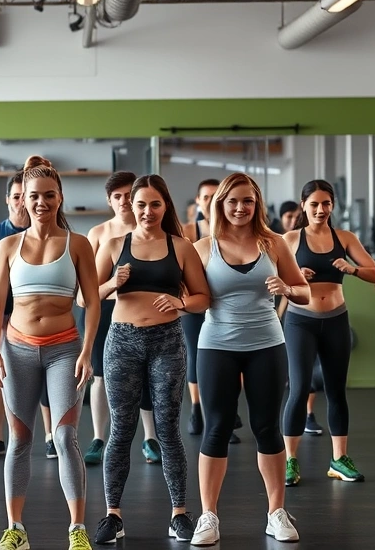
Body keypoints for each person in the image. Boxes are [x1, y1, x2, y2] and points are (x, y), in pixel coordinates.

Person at [0, 156, 100, 550]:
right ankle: (15, 529)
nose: (40, 203)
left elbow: (93, 301)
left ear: (60, 197)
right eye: (33, 196)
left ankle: (77, 530)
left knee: (66, 436)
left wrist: (87, 351)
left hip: (64, 350)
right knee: (19, 440)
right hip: (16, 349)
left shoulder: (79, 244)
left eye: (49, 195)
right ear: (22, 200)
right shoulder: (7, 246)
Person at [190, 173, 309, 545]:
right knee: (216, 429)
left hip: (266, 345)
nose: (240, 208)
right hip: (216, 346)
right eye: (233, 201)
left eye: (248, 201)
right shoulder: (203, 247)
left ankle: (276, 512)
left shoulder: (273, 244)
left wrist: (288, 289)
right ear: (220, 205)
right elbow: (193, 297)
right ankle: (208, 516)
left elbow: (303, 292)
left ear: (257, 205)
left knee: (266, 428)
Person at [92, 175, 210, 545]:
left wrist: (181, 302)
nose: (146, 211)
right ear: (130, 205)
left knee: (168, 429)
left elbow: (203, 297)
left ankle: (179, 513)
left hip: (167, 341)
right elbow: (86, 298)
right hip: (122, 341)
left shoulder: (182, 247)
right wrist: (112, 283)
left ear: (165, 207)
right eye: (139, 204)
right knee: (121, 431)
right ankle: (113, 514)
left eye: (154, 204)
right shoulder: (112, 245)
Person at [280, 180, 375, 487]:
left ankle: (339, 460)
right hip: (300, 321)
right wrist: (296, 276)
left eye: (326, 204)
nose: (320, 210)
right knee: (298, 391)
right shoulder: (291, 239)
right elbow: (271, 278)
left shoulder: (345, 237)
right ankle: (290, 461)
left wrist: (351, 269)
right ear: (303, 206)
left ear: (333, 206)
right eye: (314, 204)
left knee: (336, 391)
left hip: (336, 319)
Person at [81, 172, 162, 466]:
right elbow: (86, 288)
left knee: (146, 379)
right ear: (109, 201)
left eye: (129, 195)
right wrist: (113, 283)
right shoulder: (99, 234)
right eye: (118, 196)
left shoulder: (156, 233)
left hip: (145, 313)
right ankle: (99, 437)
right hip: (103, 312)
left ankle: (150, 437)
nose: (125, 202)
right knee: (100, 376)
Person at [0, 171, 58, 462]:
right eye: (17, 196)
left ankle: (50, 436)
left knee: (48, 374)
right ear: (11, 199)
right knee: (1, 373)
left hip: (34, 314)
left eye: (29, 196)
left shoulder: (51, 234)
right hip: (0, 309)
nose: (23, 202)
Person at [276, 199, 325, 435]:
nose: (290, 220)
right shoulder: (280, 243)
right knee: (290, 373)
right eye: (286, 217)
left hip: (304, 310)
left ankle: (309, 414)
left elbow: (295, 290)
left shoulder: (311, 241)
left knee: (308, 369)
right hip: (284, 313)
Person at [183, 179, 219, 437]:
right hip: (195, 301)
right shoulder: (188, 231)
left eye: (215, 196)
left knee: (225, 357)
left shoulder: (233, 230)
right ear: (198, 201)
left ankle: (221, 411)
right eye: (205, 197)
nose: (210, 201)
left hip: (223, 302)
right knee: (196, 355)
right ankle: (197, 408)